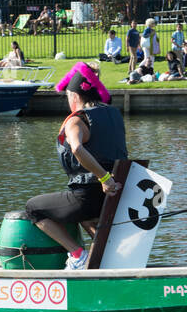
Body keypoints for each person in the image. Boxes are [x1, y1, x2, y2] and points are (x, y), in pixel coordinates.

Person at [25, 62, 126, 269]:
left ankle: (78, 255)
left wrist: (104, 178)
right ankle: (107, 260)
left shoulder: (77, 121)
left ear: (75, 96)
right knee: (85, 219)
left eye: (68, 97)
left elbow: (77, 149)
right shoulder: (114, 115)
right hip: (116, 195)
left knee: (33, 208)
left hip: (89, 196)